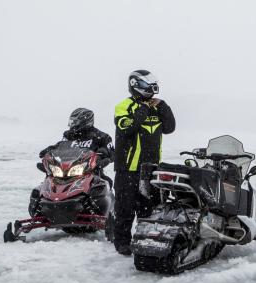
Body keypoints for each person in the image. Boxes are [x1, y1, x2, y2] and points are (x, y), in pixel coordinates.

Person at [112, 69, 176, 255]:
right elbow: (127, 128)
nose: (152, 89)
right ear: (136, 85)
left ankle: (146, 240)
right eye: (148, 85)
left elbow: (170, 128)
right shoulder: (123, 106)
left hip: (151, 169)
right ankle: (122, 243)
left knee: (149, 210)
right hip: (128, 168)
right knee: (125, 209)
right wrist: (144, 108)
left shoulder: (157, 106)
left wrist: (162, 106)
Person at [30, 108, 115, 216]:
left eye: (75, 122)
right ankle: (41, 211)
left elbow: (112, 151)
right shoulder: (69, 135)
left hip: (89, 171)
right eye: (72, 121)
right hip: (67, 170)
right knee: (44, 185)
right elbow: (61, 147)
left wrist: (103, 153)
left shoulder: (101, 136)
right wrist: (50, 150)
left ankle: (104, 212)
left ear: (85, 121)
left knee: (103, 184)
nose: (72, 124)